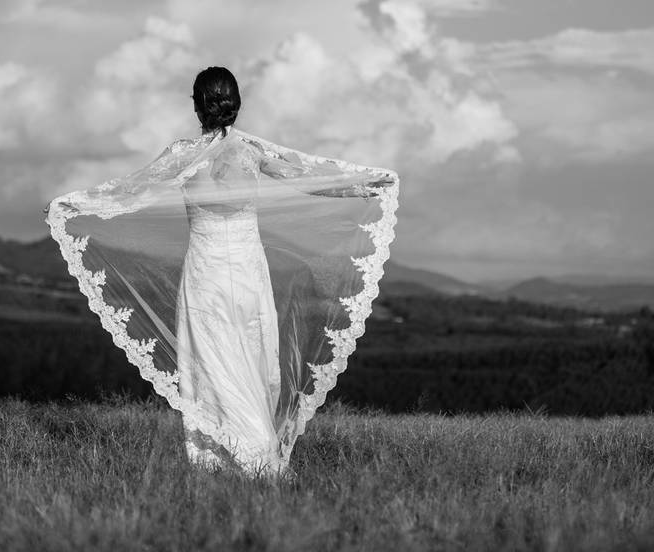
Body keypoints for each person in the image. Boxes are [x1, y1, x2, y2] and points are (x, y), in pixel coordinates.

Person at [45, 66, 398, 478]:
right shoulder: (253, 152)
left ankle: (231, 459)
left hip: (206, 271)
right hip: (247, 270)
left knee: (210, 359)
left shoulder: (183, 154)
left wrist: (71, 207)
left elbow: (130, 192)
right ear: (236, 104)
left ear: (197, 105)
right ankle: (253, 456)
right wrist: (366, 185)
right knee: (249, 355)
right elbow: (313, 180)